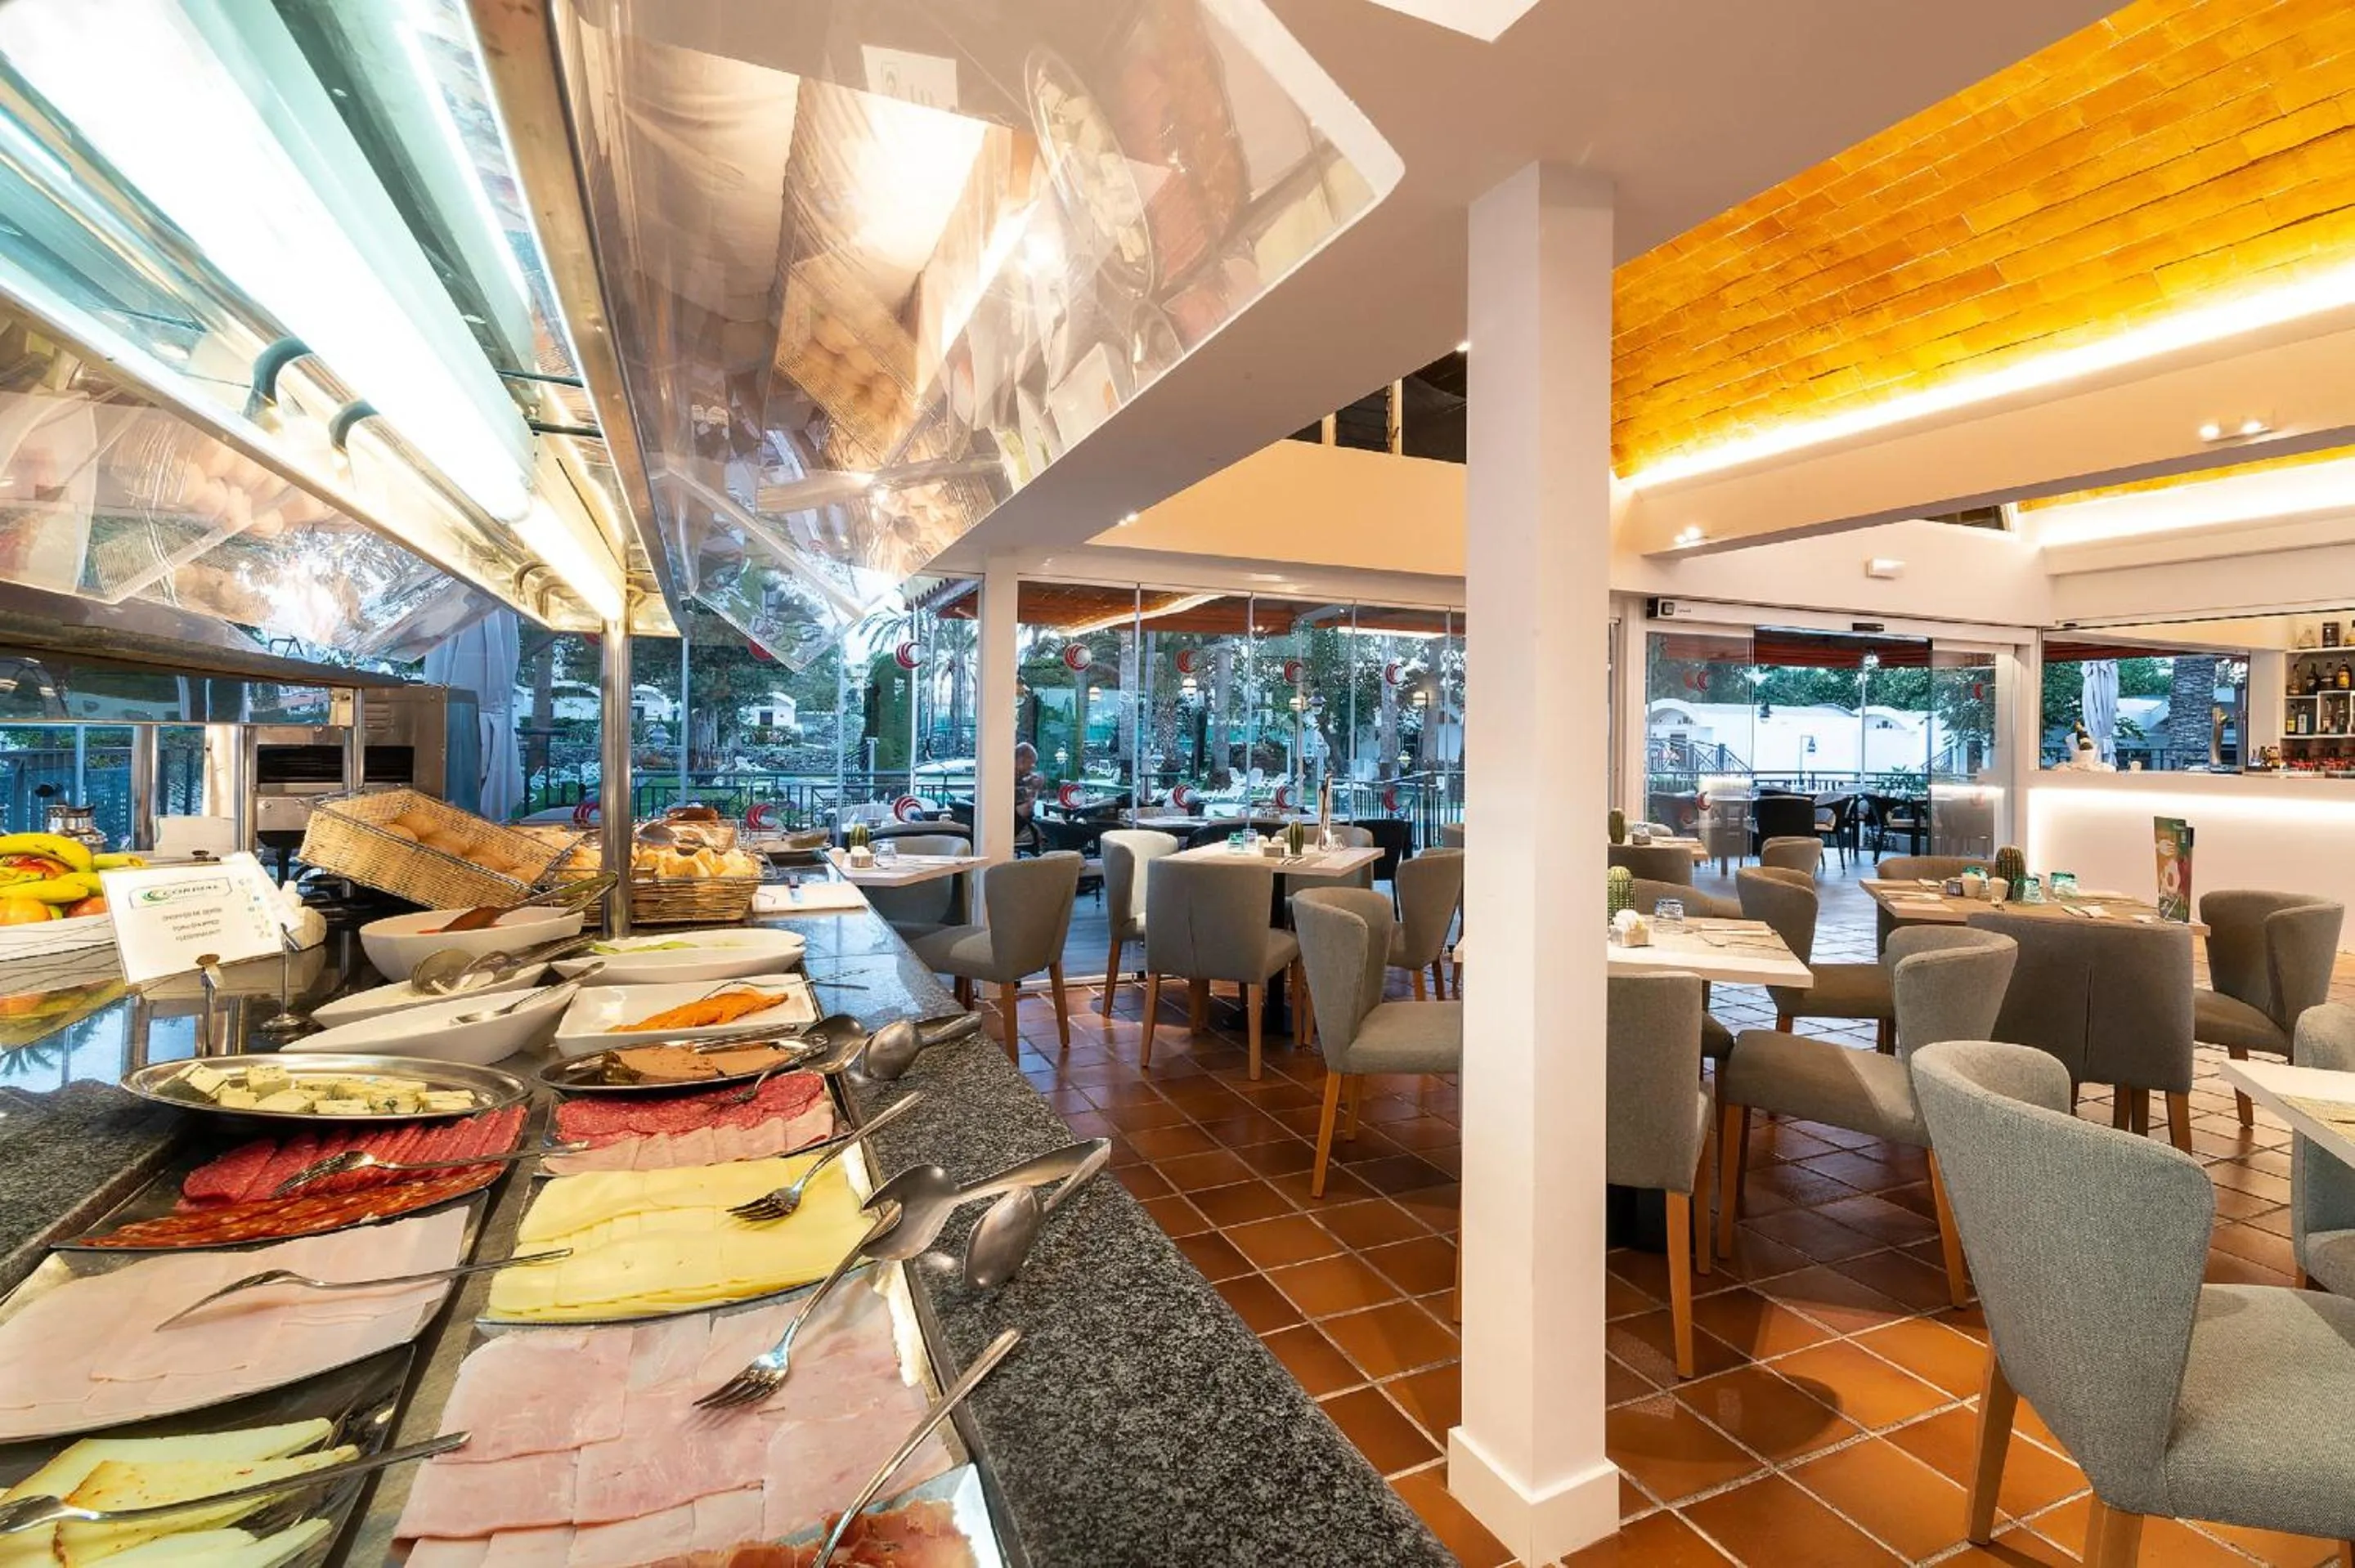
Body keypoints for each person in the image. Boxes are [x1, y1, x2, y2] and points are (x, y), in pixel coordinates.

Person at [1012, 741, 1047, 844]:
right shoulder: (1008, 774)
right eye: (1031, 763)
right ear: (1021, 761)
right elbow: (1027, 805)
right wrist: (1034, 789)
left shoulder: (1020, 776)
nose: (1033, 767)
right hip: (1011, 825)